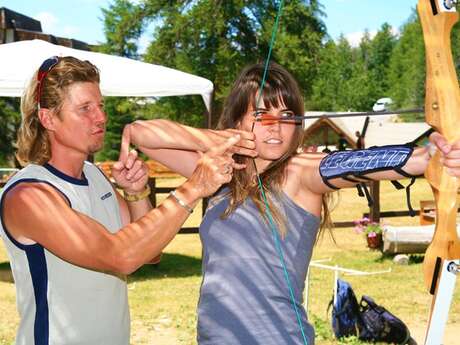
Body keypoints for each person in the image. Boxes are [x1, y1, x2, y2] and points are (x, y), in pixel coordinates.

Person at [121, 62, 460, 345]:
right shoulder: (220, 174)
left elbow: (362, 162)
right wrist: (222, 140)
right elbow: (140, 132)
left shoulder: (300, 173)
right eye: (260, 113)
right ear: (237, 119)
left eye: (286, 114)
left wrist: (429, 156)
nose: (274, 126)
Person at [0, 56, 255, 345]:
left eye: (101, 106)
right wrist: (194, 187)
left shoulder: (94, 177)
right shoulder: (28, 194)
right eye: (85, 109)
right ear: (48, 118)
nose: (101, 117)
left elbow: (149, 254)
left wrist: (136, 194)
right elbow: (120, 256)